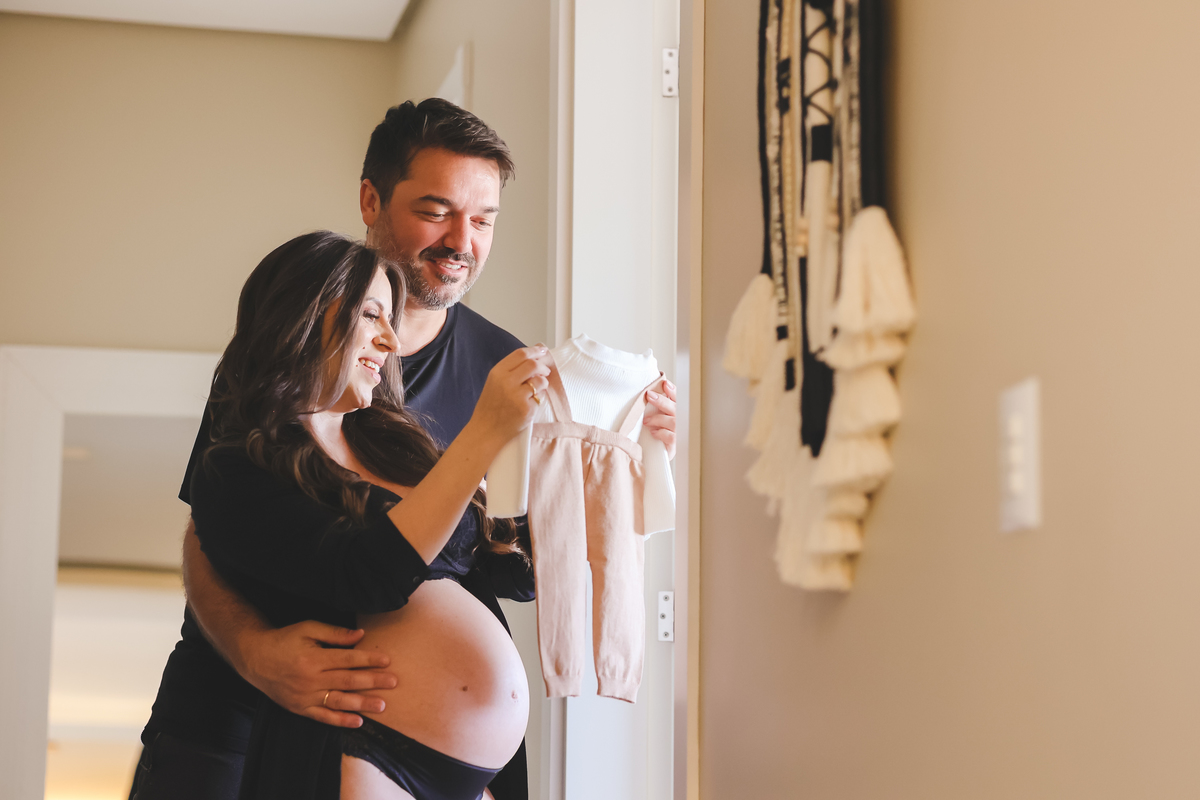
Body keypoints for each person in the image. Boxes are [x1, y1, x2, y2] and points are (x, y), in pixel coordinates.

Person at [132, 99, 677, 799]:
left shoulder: (500, 366)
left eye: (483, 220)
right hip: (242, 719)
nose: (462, 241)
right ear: (371, 200)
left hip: (443, 753)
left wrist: (626, 475)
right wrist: (252, 652)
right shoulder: (277, 381)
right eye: (436, 211)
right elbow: (212, 530)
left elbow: (513, 565)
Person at [186, 230, 544, 800]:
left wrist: (620, 464)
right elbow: (369, 574)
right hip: (358, 751)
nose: (391, 340)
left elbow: (516, 573)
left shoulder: (400, 446)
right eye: (372, 315)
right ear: (304, 315)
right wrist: (484, 432)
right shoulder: (235, 471)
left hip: (469, 777)